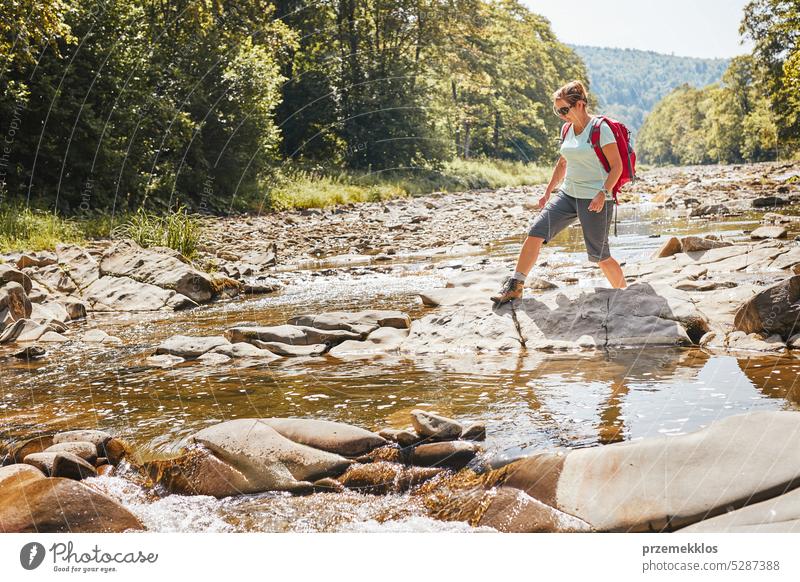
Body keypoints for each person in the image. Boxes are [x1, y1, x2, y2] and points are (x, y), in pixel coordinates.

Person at [491, 80, 627, 305]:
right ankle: (515, 286)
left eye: (565, 109)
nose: (561, 115)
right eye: (558, 111)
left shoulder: (600, 129)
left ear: (581, 104)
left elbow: (617, 166)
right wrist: (548, 191)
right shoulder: (567, 129)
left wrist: (603, 192)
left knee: (599, 255)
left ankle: (624, 294)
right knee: (535, 232)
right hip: (567, 195)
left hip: (594, 198)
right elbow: (563, 162)